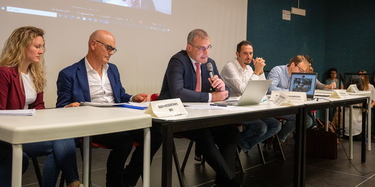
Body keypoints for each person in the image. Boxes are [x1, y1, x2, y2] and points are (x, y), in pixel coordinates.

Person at [56, 30, 162, 187]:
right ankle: (114, 183)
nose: (111, 53)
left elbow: (120, 95)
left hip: (118, 118)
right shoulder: (69, 74)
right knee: (124, 141)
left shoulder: (112, 69)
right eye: (108, 48)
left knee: (156, 135)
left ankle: (127, 181)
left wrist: (133, 98)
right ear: (93, 44)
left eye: (113, 49)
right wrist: (70, 107)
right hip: (93, 124)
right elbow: (61, 108)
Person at [158, 29, 244, 187]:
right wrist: (212, 97)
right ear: (189, 47)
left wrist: (222, 88)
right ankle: (231, 182)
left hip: (201, 115)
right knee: (203, 132)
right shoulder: (178, 61)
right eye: (202, 48)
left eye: (209, 47)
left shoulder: (209, 64)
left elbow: (225, 92)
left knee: (230, 132)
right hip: (176, 116)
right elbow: (178, 93)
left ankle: (223, 182)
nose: (206, 52)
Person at [0, 26, 81, 187]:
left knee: (62, 139)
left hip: (27, 132)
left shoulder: (35, 73)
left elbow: (39, 109)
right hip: (7, 137)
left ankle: (72, 182)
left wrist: (63, 111)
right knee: (60, 144)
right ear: (21, 47)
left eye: (42, 46)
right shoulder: (4, 73)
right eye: (37, 46)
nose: (41, 51)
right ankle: (74, 182)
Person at [221, 41, 281, 152]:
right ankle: (230, 146)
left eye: (251, 53)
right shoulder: (229, 67)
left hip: (249, 106)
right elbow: (244, 91)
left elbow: (263, 90)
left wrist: (260, 71)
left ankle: (238, 145)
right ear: (237, 54)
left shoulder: (248, 69)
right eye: (245, 53)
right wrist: (256, 72)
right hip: (234, 109)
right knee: (261, 127)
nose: (249, 57)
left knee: (275, 125)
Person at [267, 55, 313, 143]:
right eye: (300, 69)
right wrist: (291, 92)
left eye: (303, 71)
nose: (301, 73)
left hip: (289, 106)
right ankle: (279, 140)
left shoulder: (297, 75)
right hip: (274, 105)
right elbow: (271, 89)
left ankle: (278, 138)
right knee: (300, 119)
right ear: (292, 64)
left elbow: (300, 91)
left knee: (307, 121)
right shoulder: (277, 70)